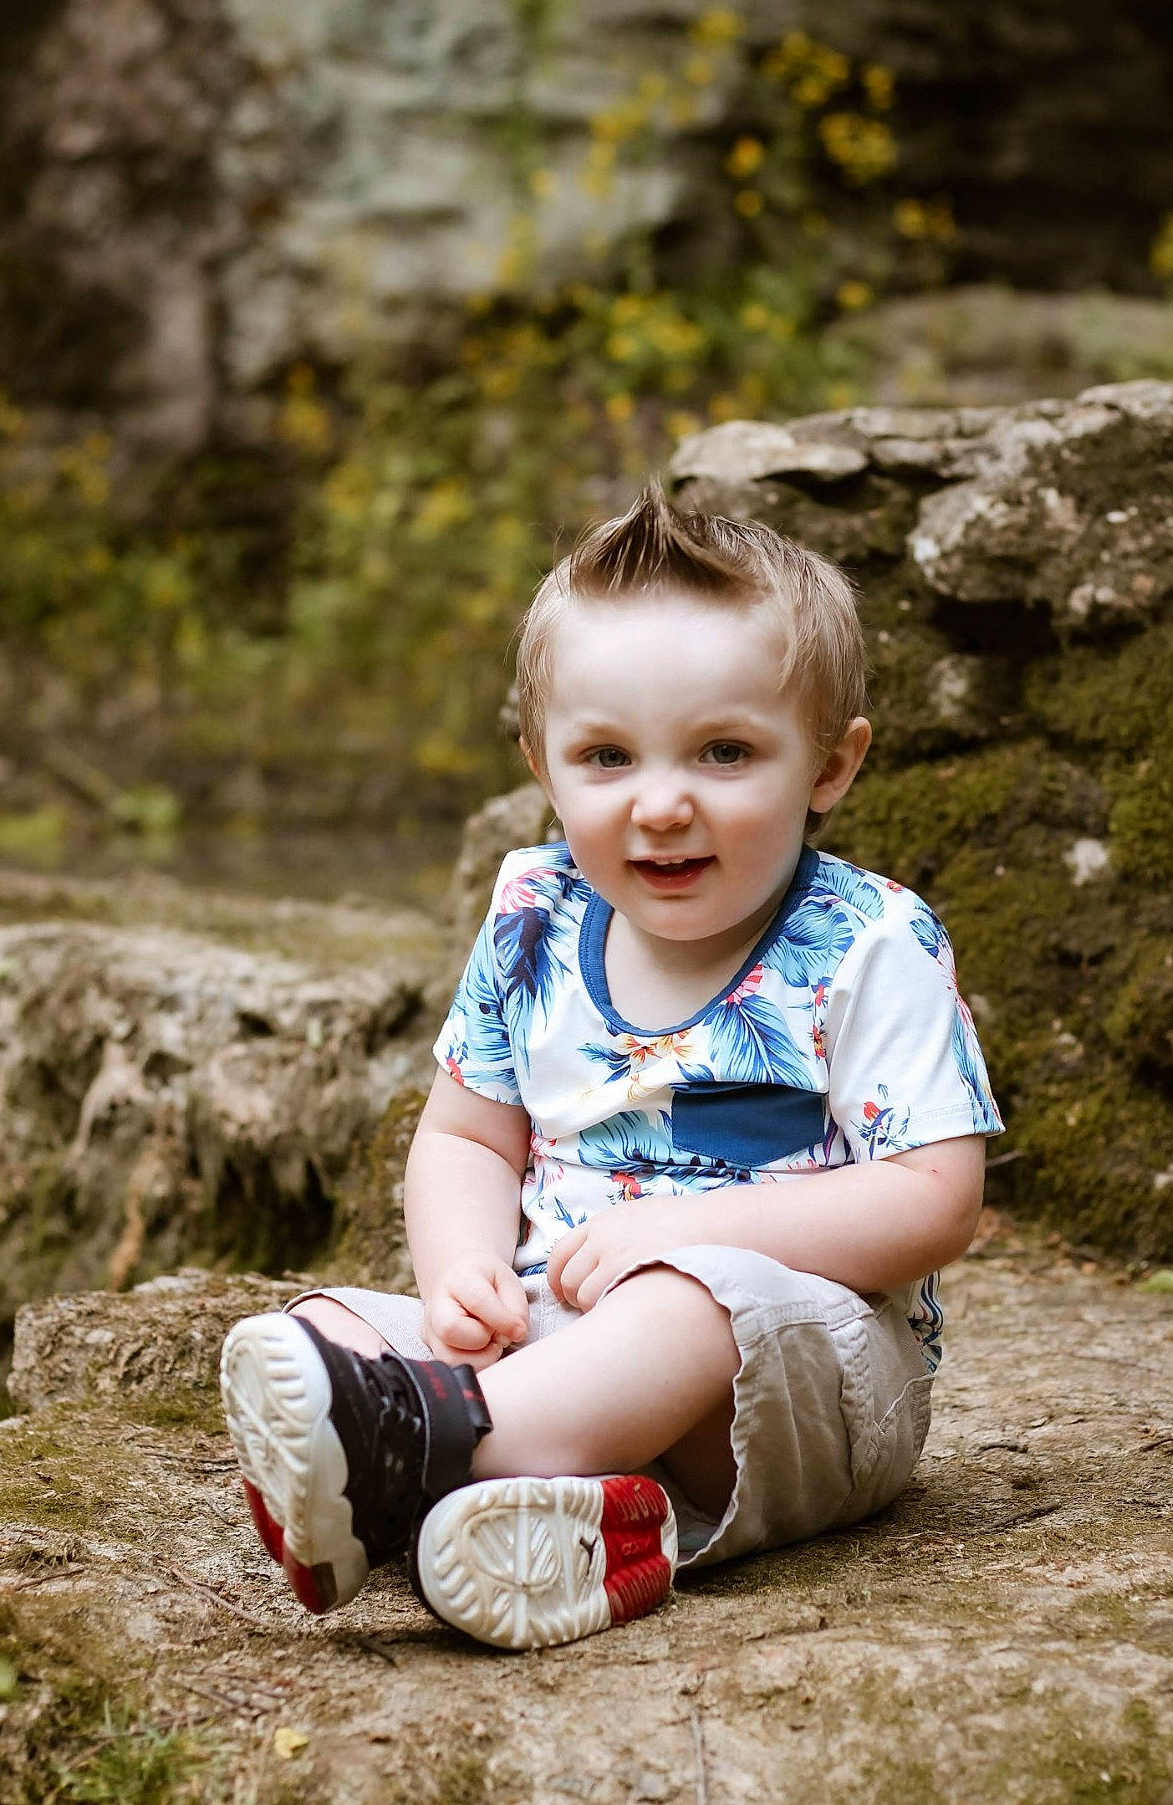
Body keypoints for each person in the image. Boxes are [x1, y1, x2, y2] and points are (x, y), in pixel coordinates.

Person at [220, 485, 1002, 1651]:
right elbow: (467, 1137)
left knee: (679, 1304)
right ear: (544, 762)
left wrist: (687, 1233)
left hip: (795, 1369)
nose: (663, 801)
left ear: (830, 768)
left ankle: (415, 1459)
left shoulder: (867, 940)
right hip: (562, 1340)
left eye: (726, 750)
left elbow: (936, 1198)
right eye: (606, 755)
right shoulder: (534, 911)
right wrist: (464, 1271)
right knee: (327, 1323)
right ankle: (578, 1519)